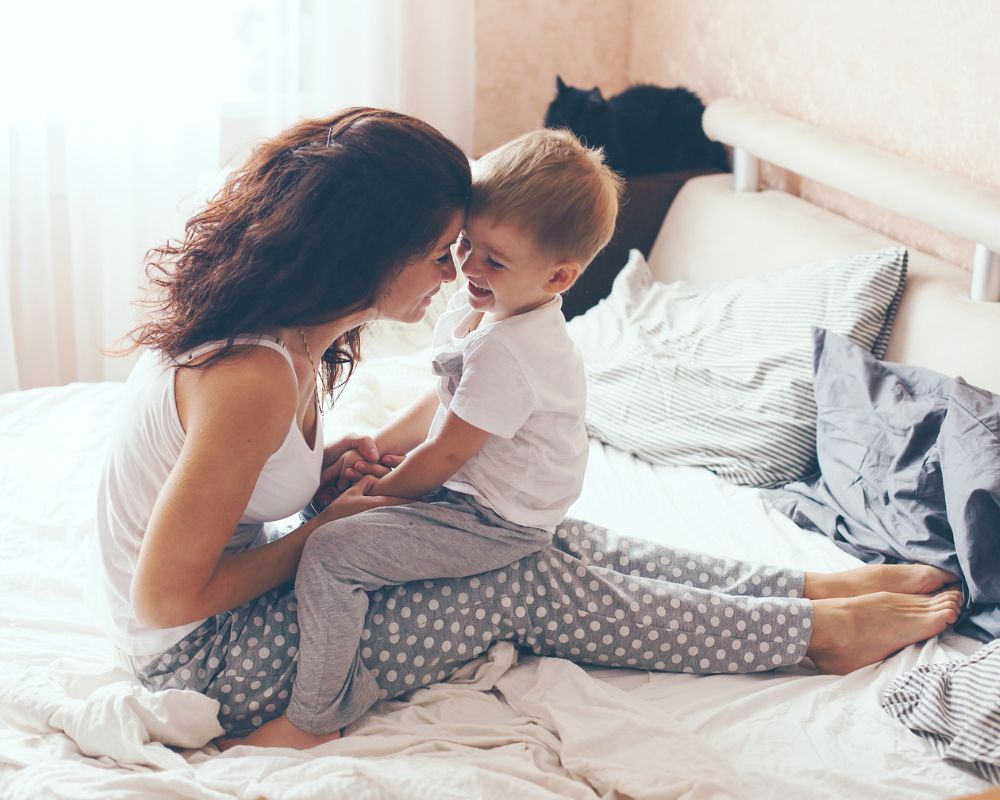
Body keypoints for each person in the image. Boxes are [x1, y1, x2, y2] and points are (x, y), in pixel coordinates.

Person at [93, 107, 963, 752]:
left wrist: (326, 470)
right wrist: (326, 526)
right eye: (442, 251)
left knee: (556, 542)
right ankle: (813, 639)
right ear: (366, 251)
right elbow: (166, 599)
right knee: (521, 583)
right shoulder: (248, 375)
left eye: (465, 249)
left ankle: (806, 588)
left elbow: (247, 479)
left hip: (225, 617)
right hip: (201, 659)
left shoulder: (298, 330)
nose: (455, 271)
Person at [243, 129, 622, 746]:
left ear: (558, 277)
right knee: (343, 495)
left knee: (332, 553)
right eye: (467, 244)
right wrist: (377, 446)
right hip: (472, 485)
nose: (466, 267)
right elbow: (444, 404)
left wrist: (381, 491)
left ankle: (312, 719)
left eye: (494, 260)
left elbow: (446, 451)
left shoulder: (511, 350)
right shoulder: (484, 311)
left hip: (498, 521)